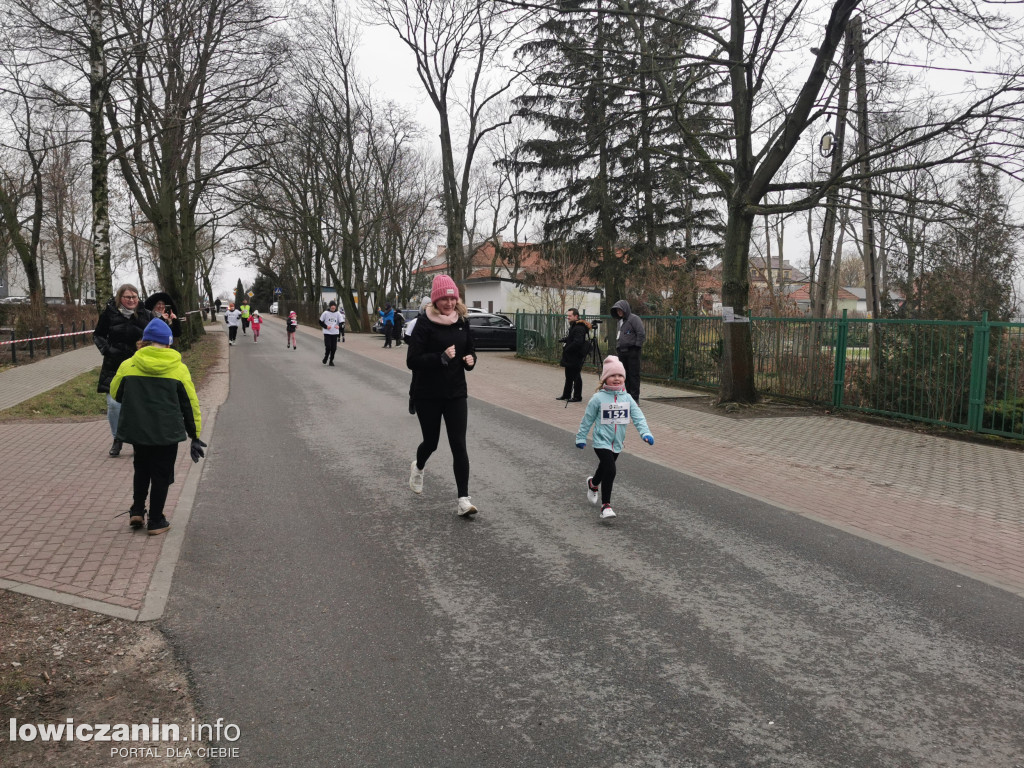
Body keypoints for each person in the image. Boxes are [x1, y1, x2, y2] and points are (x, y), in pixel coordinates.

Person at [110, 318, 205, 535]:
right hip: (166, 433)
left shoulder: (128, 365)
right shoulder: (179, 369)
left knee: (141, 468)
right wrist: (195, 435)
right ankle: (155, 520)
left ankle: (136, 510)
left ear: (143, 342)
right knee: (161, 475)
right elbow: (190, 405)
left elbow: (116, 394)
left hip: (138, 430)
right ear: (169, 344)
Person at [407, 275, 478, 517]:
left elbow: (469, 350)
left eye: (452, 298)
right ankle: (418, 467)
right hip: (428, 393)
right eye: (444, 298)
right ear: (436, 299)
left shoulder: (463, 322)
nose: (448, 303)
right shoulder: (424, 324)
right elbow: (412, 360)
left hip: (456, 392)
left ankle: (463, 499)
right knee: (432, 442)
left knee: (459, 444)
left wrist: (471, 361)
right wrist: (440, 358)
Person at [575, 355, 654, 520]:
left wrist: (645, 433)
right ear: (605, 379)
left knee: (604, 468)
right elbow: (587, 419)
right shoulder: (598, 398)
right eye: (612, 375)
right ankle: (606, 506)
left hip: (617, 442)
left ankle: (593, 483)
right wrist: (581, 437)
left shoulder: (627, 398)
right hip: (601, 441)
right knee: (610, 469)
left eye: (620, 376)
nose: (616, 379)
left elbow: (638, 416)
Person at [94, 284, 153, 457]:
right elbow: (98, 335)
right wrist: (107, 350)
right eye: (128, 297)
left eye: (135, 297)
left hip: (138, 367)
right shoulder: (109, 314)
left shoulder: (146, 315)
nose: (132, 300)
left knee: (137, 406)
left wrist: (146, 351)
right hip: (114, 366)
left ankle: (137, 440)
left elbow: (154, 337)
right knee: (114, 405)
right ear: (120, 298)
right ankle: (117, 438)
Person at [611, 299, 646, 401]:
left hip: (632, 351)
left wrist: (636, 347)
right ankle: (627, 396)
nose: (619, 312)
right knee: (624, 375)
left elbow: (641, 333)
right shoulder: (620, 321)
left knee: (633, 375)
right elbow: (620, 335)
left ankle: (635, 398)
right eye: (617, 311)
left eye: (620, 310)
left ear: (625, 309)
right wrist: (618, 347)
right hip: (622, 351)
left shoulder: (634, 319)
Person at [557, 308, 591, 403]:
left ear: (576, 316)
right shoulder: (574, 326)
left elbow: (578, 342)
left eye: (570, 316)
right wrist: (564, 340)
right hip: (570, 356)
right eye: (567, 316)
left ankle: (577, 396)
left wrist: (568, 348)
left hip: (576, 356)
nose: (568, 317)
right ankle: (566, 395)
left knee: (576, 376)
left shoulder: (579, 327)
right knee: (568, 376)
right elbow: (572, 337)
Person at [319, 301, 344, 365]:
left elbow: (342, 322)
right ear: (330, 307)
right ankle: (326, 357)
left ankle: (331, 360)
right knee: (328, 346)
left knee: (334, 348)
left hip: (335, 332)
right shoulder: (325, 313)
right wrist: (326, 326)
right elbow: (320, 322)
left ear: (335, 307)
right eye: (332, 306)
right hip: (327, 332)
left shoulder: (338, 313)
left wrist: (339, 326)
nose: (333, 308)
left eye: (334, 307)